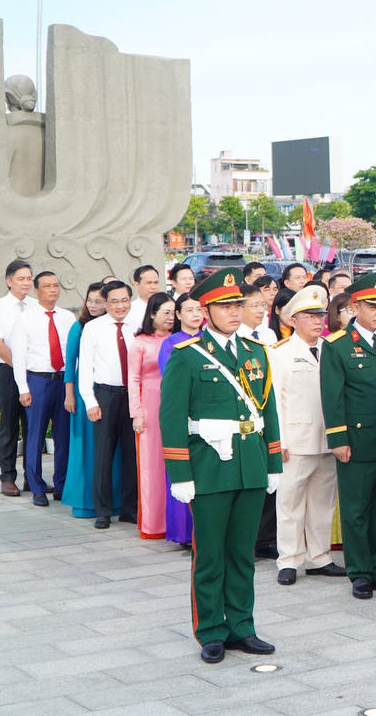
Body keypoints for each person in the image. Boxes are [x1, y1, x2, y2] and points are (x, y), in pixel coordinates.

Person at [160, 268, 283, 663]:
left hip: (250, 464)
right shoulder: (188, 355)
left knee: (242, 554)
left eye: (237, 305)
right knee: (211, 554)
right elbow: (172, 417)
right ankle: (211, 629)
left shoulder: (256, 352)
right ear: (206, 311)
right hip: (209, 467)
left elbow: (268, 411)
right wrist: (180, 474)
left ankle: (242, 626)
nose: (234, 312)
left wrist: (273, 461)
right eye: (224, 306)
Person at [320, 272, 376, 600]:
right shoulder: (337, 344)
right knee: (357, 509)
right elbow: (332, 396)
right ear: (356, 306)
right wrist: (338, 439)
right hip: (358, 440)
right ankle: (359, 571)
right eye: (372, 306)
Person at [270, 285, 342, 585]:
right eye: (309, 316)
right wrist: (280, 442)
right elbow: (275, 401)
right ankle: (288, 559)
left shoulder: (332, 349)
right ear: (293, 320)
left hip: (327, 439)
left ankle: (319, 557)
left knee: (323, 503)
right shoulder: (280, 353)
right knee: (290, 503)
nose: (317, 321)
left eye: (320, 315)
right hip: (296, 441)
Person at [10, 270, 75, 506]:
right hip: (38, 381)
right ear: (37, 291)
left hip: (64, 381)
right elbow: (19, 356)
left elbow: (73, 353)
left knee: (63, 436)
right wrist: (23, 388)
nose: (53, 289)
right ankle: (36, 487)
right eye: (47, 286)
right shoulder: (25, 319)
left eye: (56, 285)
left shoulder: (68, 317)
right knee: (35, 436)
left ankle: (61, 485)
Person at [79, 279, 139, 529]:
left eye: (124, 300)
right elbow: (85, 367)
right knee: (103, 455)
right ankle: (102, 510)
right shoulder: (93, 328)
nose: (120, 305)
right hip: (105, 396)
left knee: (132, 455)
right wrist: (90, 401)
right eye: (114, 301)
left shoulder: (138, 326)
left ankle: (129, 509)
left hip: (132, 396)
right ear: (105, 303)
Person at [63, 283, 121, 519]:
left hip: (109, 392)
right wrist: (69, 394)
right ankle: (84, 501)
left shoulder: (115, 326)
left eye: (98, 301)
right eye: (90, 300)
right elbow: (70, 363)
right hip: (83, 392)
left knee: (109, 448)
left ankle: (114, 501)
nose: (93, 305)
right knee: (86, 448)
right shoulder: (80, 326)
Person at [129, 292, 175, 538]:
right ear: (153, 314)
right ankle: (153, 523)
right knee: (151, 464)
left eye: (173, 313)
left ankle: (174, 521)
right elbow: (133, 379)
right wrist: (136, 412)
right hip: (149, 403)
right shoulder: (140, 342)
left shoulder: (177, 340)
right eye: (165, 313)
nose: (170, 318)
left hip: (174, 402)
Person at [0, 259, 35, 496]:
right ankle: (7, 477)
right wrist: (19, 369)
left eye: (29, 278)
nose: (26, 283)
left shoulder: (35, 306)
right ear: (9, 281)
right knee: (9, 425)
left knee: (32, 425)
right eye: (21, 278)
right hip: (9, 371)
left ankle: (32, 477)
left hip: (33, 373)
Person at [158, 293, 202, 546]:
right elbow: (171, 380)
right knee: (181, 470)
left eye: (199, 309)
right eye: (189, 310)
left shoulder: (209, 340)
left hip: (208, 417)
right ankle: (183, 533)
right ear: (178, 314)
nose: (195, 314)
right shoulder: (171, 344)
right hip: (184, 414)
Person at [126, 265, 162, 329]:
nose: (153, 287)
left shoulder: (166, 307)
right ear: (136, 285)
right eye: (149, 283)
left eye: (156, 282)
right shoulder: (129, 311)